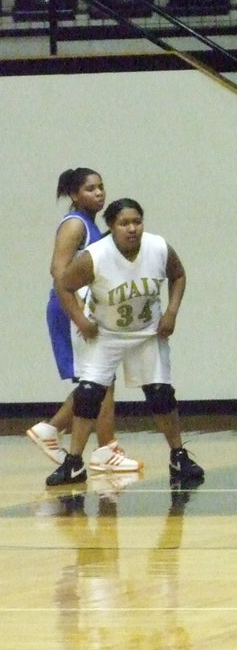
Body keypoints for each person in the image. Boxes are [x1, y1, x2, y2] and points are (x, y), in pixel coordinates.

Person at [46, 198, 205, 487]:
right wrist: (81, 320)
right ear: (111, 226)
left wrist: (171, 312)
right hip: (106, 334)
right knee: (88, 395)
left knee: (161, 394)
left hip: (146, 333)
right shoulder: (96, 256)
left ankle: (178, 455)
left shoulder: (157, 247)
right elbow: (64, 285)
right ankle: (74, 462)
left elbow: (178, 275)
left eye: (137, 222)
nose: (132, 228)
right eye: (124, 223)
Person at [28, 168, 127, 469]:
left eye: (101, 186)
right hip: (69, 308)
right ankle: (63, 433)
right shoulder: (74, 225)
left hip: (82, 308)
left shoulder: (91, 225)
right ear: (74, 194)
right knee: (98, 379)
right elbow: (58, 273)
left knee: (102, 378)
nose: (99, 193)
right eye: (90, 188)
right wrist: (79, 317)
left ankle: (94, 444)